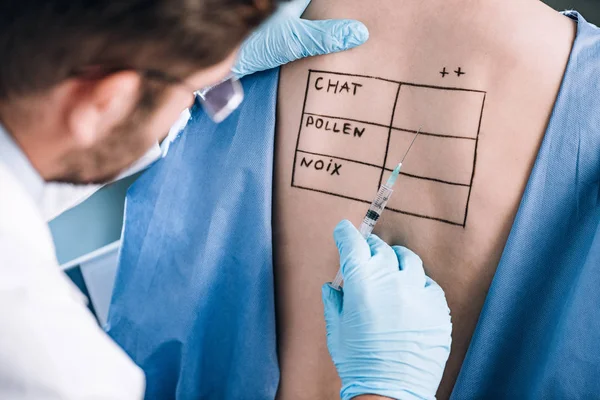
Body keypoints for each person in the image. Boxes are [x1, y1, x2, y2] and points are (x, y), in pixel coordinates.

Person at [0, 0, 452, 399]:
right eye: (207, 91)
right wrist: (384, 391)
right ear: (106, 102)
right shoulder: (48, 364)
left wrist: (185, 83)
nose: (204, 100)